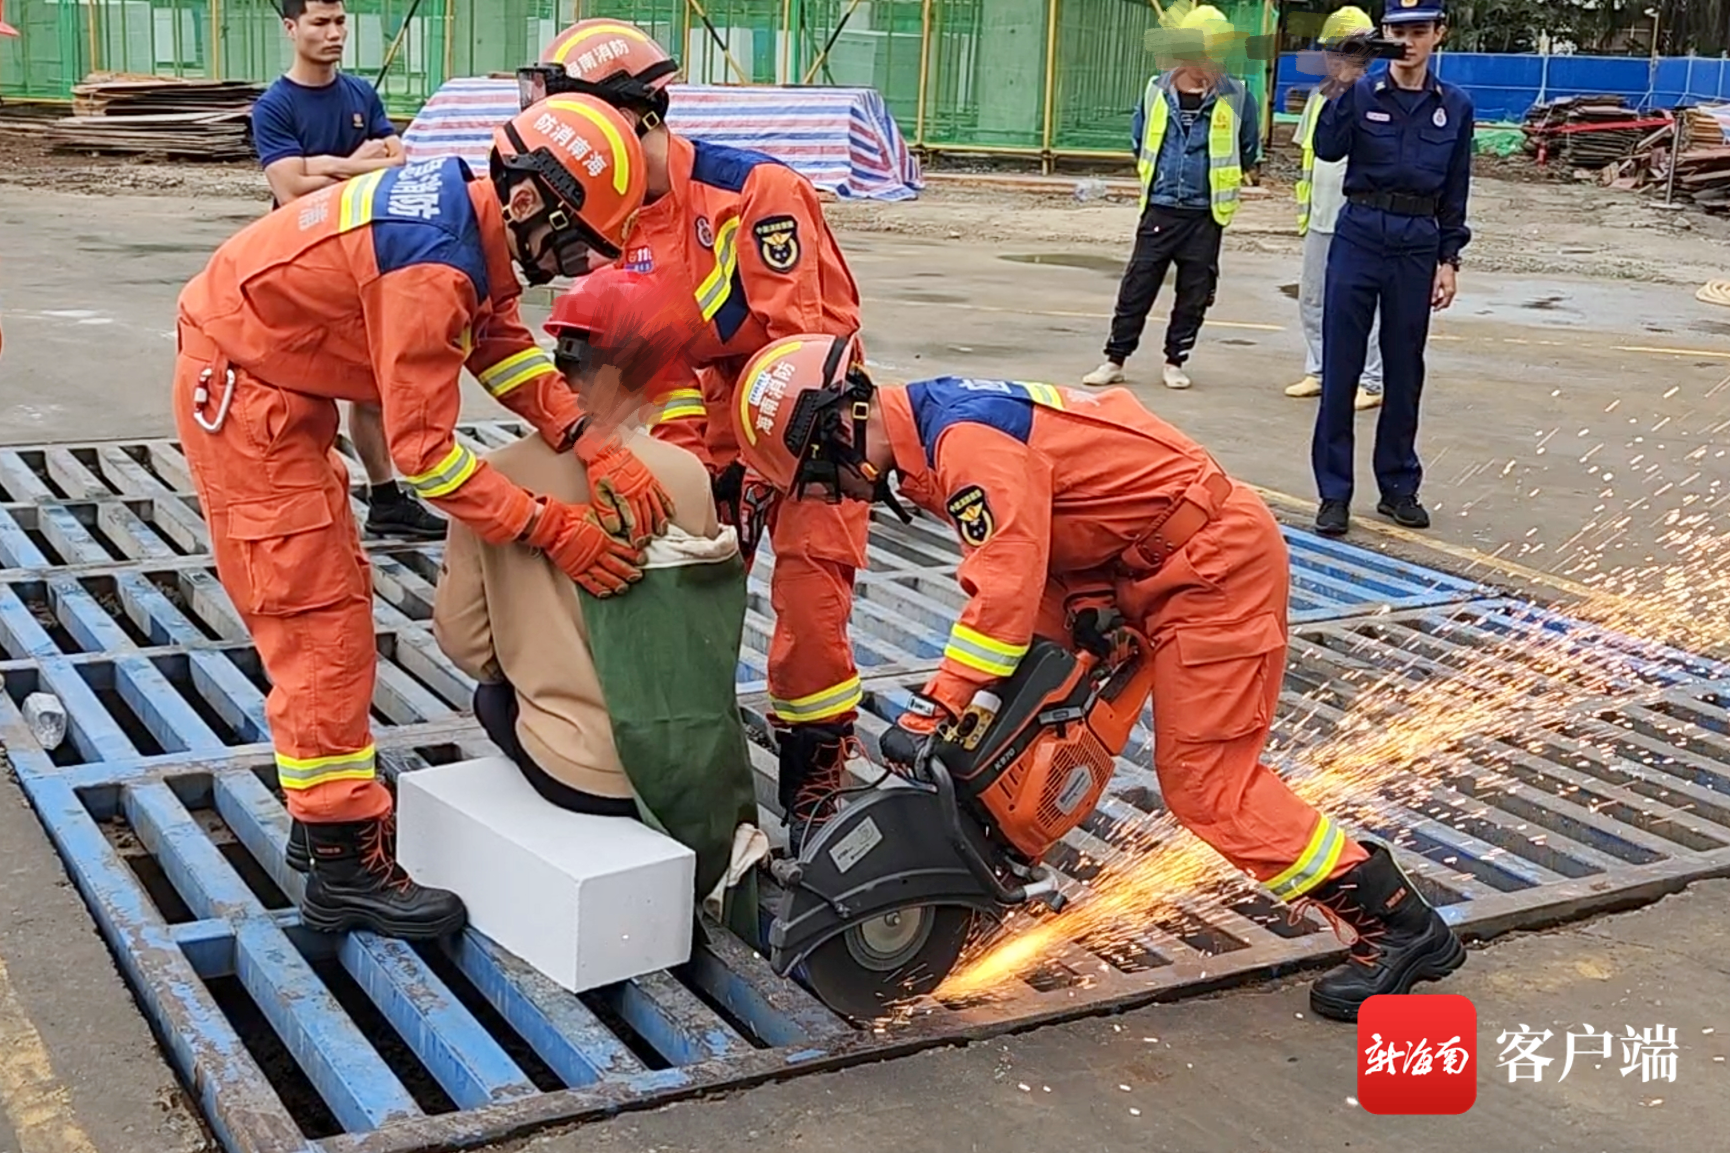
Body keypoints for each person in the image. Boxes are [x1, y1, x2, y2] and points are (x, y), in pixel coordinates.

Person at [729, 335, 1467, 1021]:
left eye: (823, 481)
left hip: (1211, 570)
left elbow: (1004, 592)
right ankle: (984, 885)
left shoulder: (965, 442)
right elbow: (1067, 509)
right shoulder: (932, 429)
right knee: (1012, 727)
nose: (836, 498)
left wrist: (940, 702)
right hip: (1127, 568)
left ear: (841, 424)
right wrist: (1082, 602)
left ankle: (1397, 921)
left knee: (1207, 785)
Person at [173, 94, 655, 939]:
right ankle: (343, 869)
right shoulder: (433, 263)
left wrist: (586, 437)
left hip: (275, 375)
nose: (571, 267)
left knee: (336, 597)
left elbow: (496, 340)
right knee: (316, 618)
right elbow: (427, 455)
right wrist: (550, 527)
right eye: (575, 244)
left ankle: (320, 824)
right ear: (530, 198)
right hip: (246, 395)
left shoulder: (468, 220)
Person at [520, 20, 871, 849]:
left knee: (812, 606)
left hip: (814, 415)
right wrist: (680, 471)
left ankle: (816, 778)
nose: (585, 165)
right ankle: (673, 750)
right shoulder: (606, 209)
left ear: (650, 116)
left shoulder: (754, 194)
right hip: (713, 407)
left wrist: (758, 470)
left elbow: (798, 348)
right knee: (677, 577)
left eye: (602, 138)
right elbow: (650, 366)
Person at [433, 281, 763, 934]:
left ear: (561, 361)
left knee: (488, 696)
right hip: (663, 775)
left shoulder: (492, 477)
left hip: (568, 768)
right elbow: (696, 640)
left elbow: (465, 642)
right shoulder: (683, 474)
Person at [251, 0, 445, 541]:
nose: (333, 33)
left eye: (339, 22)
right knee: (297, 392)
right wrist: (361, 164)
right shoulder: (275, 107)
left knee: (370, 386)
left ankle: (386, 500)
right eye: (319, 23)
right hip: (298, 267)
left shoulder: (360, 93)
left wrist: (323, 165)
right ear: (291, 29)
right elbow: (289, 192)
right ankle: (296, 505)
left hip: (363, 259)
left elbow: (398, 160)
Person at [1310, 0, 1473, 538]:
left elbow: (1455, 188)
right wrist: (1343, 78)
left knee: (1404, 371)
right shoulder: (1357, 93)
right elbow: (1327, 149)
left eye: (1419, 30)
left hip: (1416, 243)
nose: (1408, 41)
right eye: (1397, 31)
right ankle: (1334, 494)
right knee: (1341, 368)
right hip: (1360, 233)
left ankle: (1398, 487)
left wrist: (1449, 259)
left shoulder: (1455, 105)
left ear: (1438, 34)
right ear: (1384, 34)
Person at [1081, 5, 1259, 392]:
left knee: (1195, 293)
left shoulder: (1239, 96)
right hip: (1161, 206)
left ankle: (1175, 360)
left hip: (1206, 213)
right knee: (1137, 286)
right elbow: (1138, 140)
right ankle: (1115, 358)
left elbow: (1247, 149)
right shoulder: (1155, 92)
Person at [1286, 6, 1383, 412]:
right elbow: (1311, 155)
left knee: (1365, 302)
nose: (1337, 59)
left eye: (1346, 51)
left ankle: (1372, 379)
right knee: (1313, 297)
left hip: (1358, 220)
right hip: (1321, 217)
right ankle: (1321, 369)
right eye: (1332, 51)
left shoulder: (1378, 98)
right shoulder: (1319, 97)